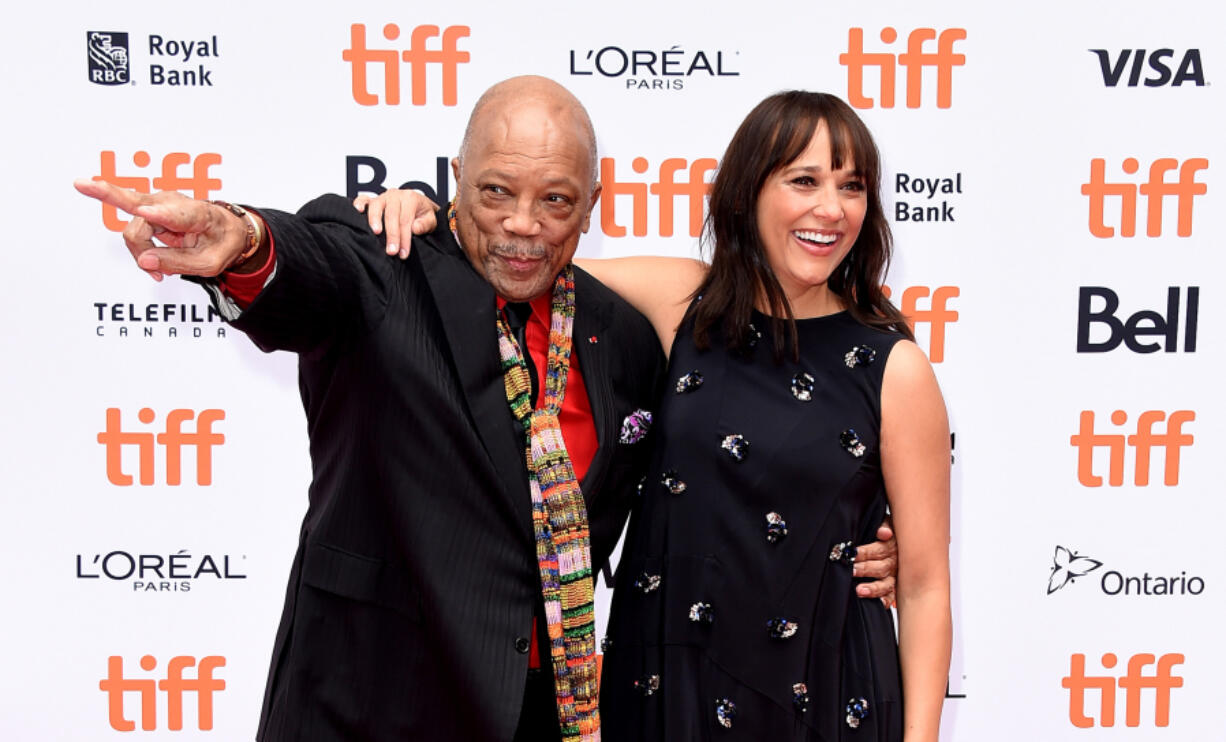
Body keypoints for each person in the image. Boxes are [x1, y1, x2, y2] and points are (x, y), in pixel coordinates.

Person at [76, 77, 900, 742]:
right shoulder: (388, 271)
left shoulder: (624, 340)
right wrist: (239, 242)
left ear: (592, 205)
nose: (521, 226)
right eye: (496, 191)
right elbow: (307, 266)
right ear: (456, 183)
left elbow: (715, 474)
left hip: (547, 713)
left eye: (555, 201)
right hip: (369, 708)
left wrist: (862, 544)